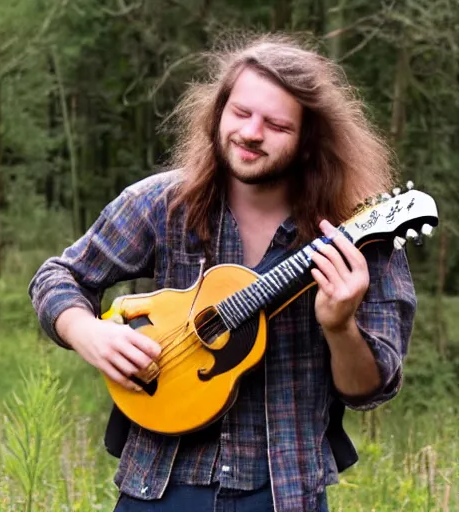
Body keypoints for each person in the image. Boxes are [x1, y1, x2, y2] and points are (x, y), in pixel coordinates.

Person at [29, 34, 416, 512]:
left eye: (276, 124)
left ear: (310, 140)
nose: (251, 133)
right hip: (159, 486)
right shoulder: (161, 205)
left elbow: (370, 389)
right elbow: (57, 276)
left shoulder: (357, 237)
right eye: (240, 113)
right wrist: (87, 332)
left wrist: (339, 326)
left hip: (284, 492)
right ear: (217, 115)